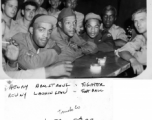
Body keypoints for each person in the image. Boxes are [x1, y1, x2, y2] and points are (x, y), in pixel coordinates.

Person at [2, 15, 73, 79]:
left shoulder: (45, 40)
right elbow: (31, 64)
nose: (46, 35)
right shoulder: (18, 39)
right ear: (31, 30)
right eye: (41, 30)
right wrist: (54, 52)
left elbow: (63, 51)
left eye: (49, 31)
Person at [116, 8, 147, 75]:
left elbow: (142, 58)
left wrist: (133, 53)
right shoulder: (141, 37)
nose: (138, 24)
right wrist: (133, 60)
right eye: (136, 21)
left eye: (142, 19)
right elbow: (122, 51)